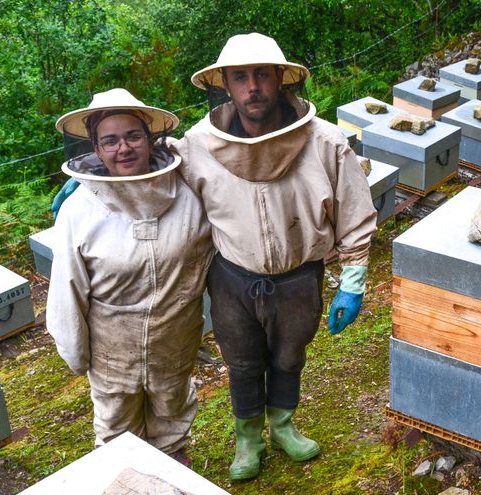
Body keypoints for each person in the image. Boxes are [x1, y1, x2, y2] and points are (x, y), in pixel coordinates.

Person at [170, 33, 376, 480]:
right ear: (225, 85)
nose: (253, 87)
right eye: (240, 77)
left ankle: (283, 425)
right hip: (231, 279)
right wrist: (107, 182)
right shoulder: (196, 145)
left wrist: (353, 283)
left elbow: (355, 213)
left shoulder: (325, 142)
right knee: (242, 363)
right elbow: (161, 182)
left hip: (299, 277)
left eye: (262, 74)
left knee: (288, 358)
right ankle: (248, 439)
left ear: (281, 79)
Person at [46, 88, 213, 466]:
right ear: (96, 148)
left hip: (176, 337)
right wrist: (76, 352)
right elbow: (67, 291)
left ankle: (174, 467)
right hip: (112, 351)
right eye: (110, 140)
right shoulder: (79, 210)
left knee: (172, 416)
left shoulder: (187, 192)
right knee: (118, 438)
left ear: (150, 138)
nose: (123, 148)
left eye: (133, 136)